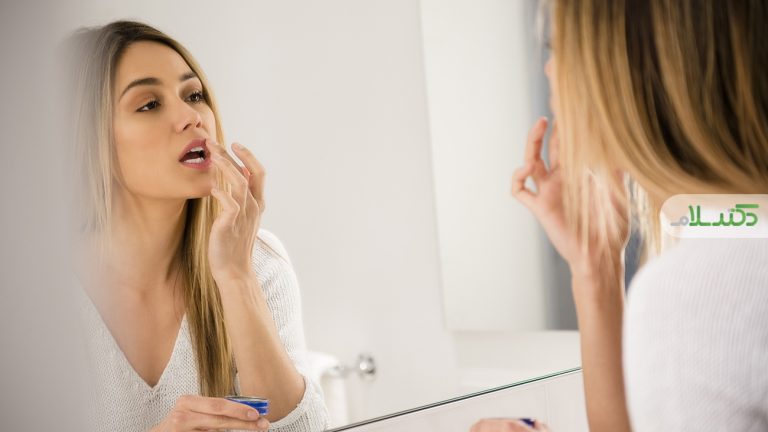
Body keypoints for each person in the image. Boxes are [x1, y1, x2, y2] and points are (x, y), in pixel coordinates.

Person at [472, 0, 768, 430]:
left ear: (627, 74)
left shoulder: (697, 293)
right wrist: (594, 265)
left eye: (560, 48)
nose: (549, 69)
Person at [65, 20, 329, 432]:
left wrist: (237, 276)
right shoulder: (30, 295)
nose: (191, 117)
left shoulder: (258, 263)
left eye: (194, 95)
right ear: (89, 139)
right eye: (149, 104)